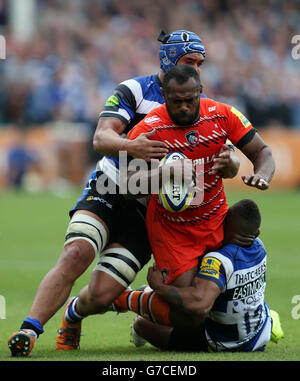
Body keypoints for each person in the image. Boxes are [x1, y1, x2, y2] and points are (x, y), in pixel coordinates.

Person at [8, 30, 240, 357]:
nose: (197, 69)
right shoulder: (133, 90)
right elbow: (101, 138)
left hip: (148, 210)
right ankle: (29, 331)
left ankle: (73, 312)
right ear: (168, 58)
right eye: (190, 61)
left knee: (102, 296)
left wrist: (231, 164)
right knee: (77, 253)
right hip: (110, 187)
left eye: (200, 63)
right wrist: (133, 145)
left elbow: (219, 152)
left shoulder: (196, 102)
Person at [125, 64, 275, 286]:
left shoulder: (222, 115)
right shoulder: (147, 130)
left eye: (190, 100)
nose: (184, 107)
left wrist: (261, 174)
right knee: (189, 308)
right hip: (172, 231)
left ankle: (144, 302)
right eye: (177, 102)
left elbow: (263, 152)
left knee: (209, 301)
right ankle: (127, 300)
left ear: (200, 92)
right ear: (164, 95)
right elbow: (128, 186)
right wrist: (166, 173)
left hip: (216, 223)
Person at [113, 199, 284, 352]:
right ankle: (270, 319)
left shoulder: (218, 259)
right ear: (257, 233)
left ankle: (121, 299)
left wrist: (160, 287)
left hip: (224, 341)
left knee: (142, 324)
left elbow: (199, 304)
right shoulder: (259, 247)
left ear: (223, 225)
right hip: (257, 335)